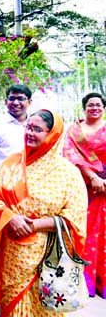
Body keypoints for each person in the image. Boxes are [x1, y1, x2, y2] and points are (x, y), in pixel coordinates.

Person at [0, 110, 88, 316]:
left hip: (48, 254)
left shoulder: (68, 173)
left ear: (52, 134)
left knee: (45, 307)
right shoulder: (11, 163)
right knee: (12, 306)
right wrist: (11, 218)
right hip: (13, 253)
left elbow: (75, 216)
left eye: (37, 129)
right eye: (28, 127)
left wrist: (33, 225)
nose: (30, 132)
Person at [63, 92, 106, 298]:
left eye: (98, 105)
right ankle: (85, 282)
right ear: (84, 108)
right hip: (84, 189)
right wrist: (93, 178)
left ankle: (102, 282)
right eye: (90, 105)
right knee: (84, 233)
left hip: (105, 190)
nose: (94, 108)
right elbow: (70, 156)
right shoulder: (74, 131)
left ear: (103, 108)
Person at [0, 85, 33, 181]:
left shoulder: (34, 127)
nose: (16, 103)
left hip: (28, 183)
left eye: (21, 99)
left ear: (29, 102)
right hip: (0, 185)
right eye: (12, 98)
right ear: (5, 102)